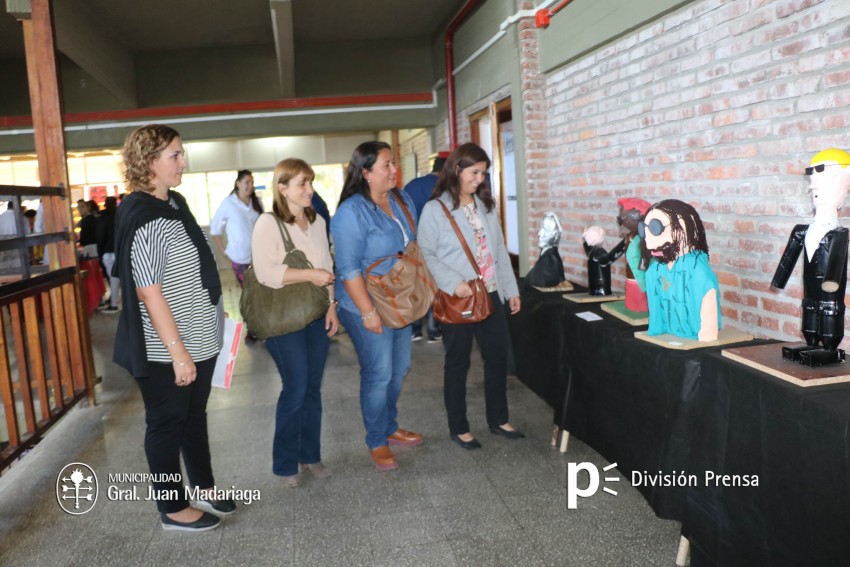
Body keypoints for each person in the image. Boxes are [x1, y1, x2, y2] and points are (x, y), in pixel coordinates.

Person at [112, 124, 233, 532]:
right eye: (175, 155)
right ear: (149, 162)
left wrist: (214, 314)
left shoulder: (174, 202)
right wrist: (179, 352)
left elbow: (194, 268)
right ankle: (172, 508)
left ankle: (202, 485)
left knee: (193, 417)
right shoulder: (144, 214)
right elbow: (149, 291)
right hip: (167, 347)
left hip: (197, 335)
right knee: (166, 423)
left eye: (182, 153)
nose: (184, 162)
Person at [418, 142, 524, 450]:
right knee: (458, 362)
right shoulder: (435, 209)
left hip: (490, 294)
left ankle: (498, 419)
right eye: (474, 172)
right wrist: (454, 283)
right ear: (456, 169)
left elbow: (499, 251)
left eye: (484, 173)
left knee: (496, 358)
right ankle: (459, 426)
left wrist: (510, 289)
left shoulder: (485, 206)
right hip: (459, 298)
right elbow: (427, 253)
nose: (479, 179)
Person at [330, 141, 423, 472]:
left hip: (399, 301)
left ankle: (389, 425)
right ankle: (376, 440)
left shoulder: (401, 200)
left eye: (393, 163)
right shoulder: (350, 213)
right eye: (386, 165)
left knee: (399, 370)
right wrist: (368, 313)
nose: (393, 169)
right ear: (366, 172)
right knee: (379, 372)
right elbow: (349, 269)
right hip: (364, 304)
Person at [251, 158, 339, 487]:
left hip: (315, 316)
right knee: (296, 387)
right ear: (282, 187)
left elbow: (328, 264)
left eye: (311, 182)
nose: (310, 190)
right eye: (302, 183)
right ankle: (286, 464)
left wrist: (332, 306)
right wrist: (309, 274)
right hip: (282, 320)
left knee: (312, 388)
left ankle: (310, 455)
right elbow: (266, 272)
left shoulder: (316, 221)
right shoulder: (268, 223)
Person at [772, 148, 850, 366]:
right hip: (810, 291)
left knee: (828, 314)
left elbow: (835, 264)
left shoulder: (840, 233)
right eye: (812, 181)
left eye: (820, 181)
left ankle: (829, 348)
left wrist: (831, 284)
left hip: (829, 292)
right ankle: (812, 343)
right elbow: (787, 260)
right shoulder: (802, 230)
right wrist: (778, 281)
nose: (812, 186)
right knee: (809, 313)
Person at [639, 199, 721, 341]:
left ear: (683, 227)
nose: (649, 243)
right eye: (644, 230)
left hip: (694, 338)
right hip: (668, 334)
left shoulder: (697, 271)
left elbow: (707, 300)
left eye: (655, 228)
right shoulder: (655, 270)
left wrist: (706, 334)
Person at [403, 152, 448, 342]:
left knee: (417, 286)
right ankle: (433, 329)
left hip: (412, 245)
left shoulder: (412, 185)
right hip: (438, 245)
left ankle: (414, 329)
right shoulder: (445, 187)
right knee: (435, 286)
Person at [210, 169, 262, 287]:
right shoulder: (228, 203)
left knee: (260, 290)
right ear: (238, 183)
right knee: (248, 291)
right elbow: (215, 229)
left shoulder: (257, 202)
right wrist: (224, 252)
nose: (250, 186)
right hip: (238, 258)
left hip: (257, 256)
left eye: (252, 182)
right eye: (247, 182)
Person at [526, 211, 566, 287]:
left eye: (546, 230)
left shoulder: (550, 260)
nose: (539, 234)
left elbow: (538, 280)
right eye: (541, 228)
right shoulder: (546, 255)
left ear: (555, 235)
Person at [96, 196, 120, 313]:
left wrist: (100, 252)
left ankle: (114, 304)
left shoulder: (103, 218)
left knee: (113, 278)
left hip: (108, 251)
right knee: (124, 279)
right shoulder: (121, 215)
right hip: (121, 251)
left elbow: (100, 237)